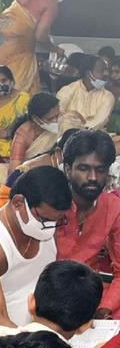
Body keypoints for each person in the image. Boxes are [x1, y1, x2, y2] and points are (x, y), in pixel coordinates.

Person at [0, 166, 71, 329]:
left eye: (57, 220)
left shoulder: (46, 222)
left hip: (40, 327)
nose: (50, 227)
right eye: (44, 219)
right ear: (18, 202)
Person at [53, 130, 120, 316]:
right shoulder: (51, 201)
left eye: (100, 170)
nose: (92, 177)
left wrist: (104, 309)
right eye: (84, 169)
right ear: (68, 169)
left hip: (88, 293)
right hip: (43, 290)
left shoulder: (114, 207)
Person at [57, 56, 115, 130]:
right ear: (88, 73)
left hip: (93, 137)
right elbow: (58, 114)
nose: (106, 74)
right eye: (102, 70)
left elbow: (99, 122)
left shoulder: (108, 96)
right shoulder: (69, 90)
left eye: (106, 70)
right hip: (66, 133)